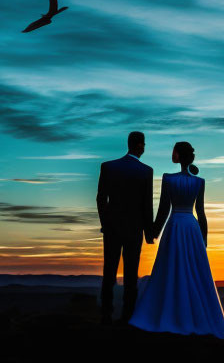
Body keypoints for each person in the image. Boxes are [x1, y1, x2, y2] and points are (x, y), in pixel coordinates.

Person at [129, 141, 224, 340]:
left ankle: (169, 313)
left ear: (178, 155)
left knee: (171, 269)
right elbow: (201, 213)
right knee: (194, 271)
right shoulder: (199, 181)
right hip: (191, 227)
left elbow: (163, 209)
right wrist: (204, 238)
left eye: (173, 151)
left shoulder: (168, 178)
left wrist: (153, 232)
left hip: (175, 224)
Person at [96, 131, 154, 324]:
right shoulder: (146, 171)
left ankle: (106, 314)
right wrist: (149, 232)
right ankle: (128, 316)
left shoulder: (108, 167)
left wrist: (105, 223)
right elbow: (147, 205)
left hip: (111, 228)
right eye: (144, 144)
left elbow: (101, 198)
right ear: (139, 146)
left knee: (109, 273)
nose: (144, 148)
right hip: (134, 229)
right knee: (131, 275)